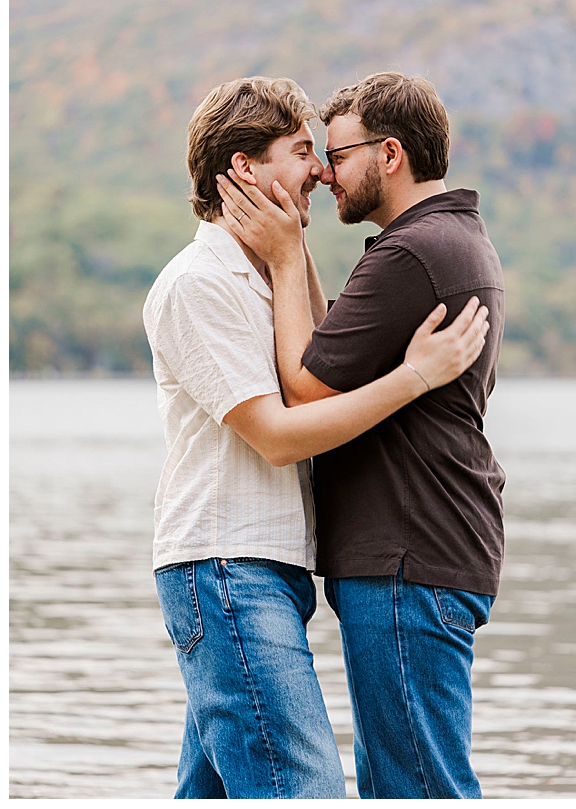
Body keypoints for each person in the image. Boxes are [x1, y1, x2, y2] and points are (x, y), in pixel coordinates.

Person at [141, 76, 490, 799]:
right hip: (226, 565)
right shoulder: (199, 282)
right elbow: (278, 432)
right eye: (303, 151)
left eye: (325, 151)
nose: (321, 170)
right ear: (245, 168)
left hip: (268, 567)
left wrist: (289, 255)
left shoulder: (265, 278)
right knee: (304, 790)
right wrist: (414, 376)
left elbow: (320, 364)